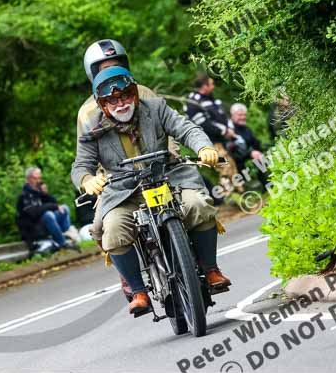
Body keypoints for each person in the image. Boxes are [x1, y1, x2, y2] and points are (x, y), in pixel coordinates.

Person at [73, 39, 231, 316]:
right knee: (110, 229)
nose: (120, 101)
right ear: (101, 100)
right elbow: (81, 164)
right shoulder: (89, 117)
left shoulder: (151, 101)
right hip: (122, 188)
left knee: (198, 205)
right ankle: (138, 290)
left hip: (167, 173)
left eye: (125, 94)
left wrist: (204, 147)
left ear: (133, 90)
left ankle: (211, 268)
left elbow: (184, 127)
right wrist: (87, 180)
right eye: (112, 99)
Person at [185, 73, 243, 193]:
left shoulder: (209, 98)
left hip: (220, 140)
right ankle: (227, 195)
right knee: (225, 167)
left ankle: (240, 193)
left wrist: (228, 128)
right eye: (211, 84)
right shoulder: (193, 102)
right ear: (204, 86)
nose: (213, 86)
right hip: (209, 142)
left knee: (231, 165)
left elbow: (221, 116)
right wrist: (223, 131)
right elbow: (203, 124)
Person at [16, 167, 77, 251]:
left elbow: (55, 204)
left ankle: (63, 233)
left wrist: (45, 194)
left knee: (64, 208)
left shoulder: (38, 191)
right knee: (48, 214)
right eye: (35, 178)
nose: (38, 181)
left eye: (39, 178)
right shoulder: (24, 195)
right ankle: (62, 243)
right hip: (33, 227)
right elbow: (34, 212)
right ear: (28, 179)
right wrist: (52, 206)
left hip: (46, 224)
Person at [227, 103, 268, 187]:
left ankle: (267, 183)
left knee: (262, 155)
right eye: (240, 115)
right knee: (256, 159)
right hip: (239, 164)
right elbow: (233, 153)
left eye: (244, 115)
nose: (242, 117)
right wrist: (250, 153)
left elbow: (255, 143)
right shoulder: (229, 131)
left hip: (250, 158)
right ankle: (254, 186)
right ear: (232, 115)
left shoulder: (245, 128)